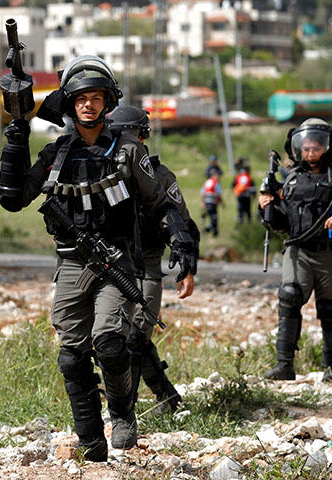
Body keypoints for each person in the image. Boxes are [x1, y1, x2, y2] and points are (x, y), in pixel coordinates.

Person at [0, 55, 197, 461]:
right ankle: (91, 441)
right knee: (72, 356)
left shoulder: (127, 150)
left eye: (96, 98)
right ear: (70, 104)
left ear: (107, 101)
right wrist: (16, 139)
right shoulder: (56, 154)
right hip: (72, 262)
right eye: (81, 99)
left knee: (109, 342)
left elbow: (159, 200)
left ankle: (123, 414)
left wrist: (181, 241)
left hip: (117, 261)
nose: (88, 105)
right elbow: (13, 198)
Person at [259, 118, 332, 383]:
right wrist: (266, 206)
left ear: (327, 145)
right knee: (289, 296)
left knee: (329, 308)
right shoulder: (290, 179)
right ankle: (284, 365)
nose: (310, 153)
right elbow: (280, 222)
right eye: (306, 148)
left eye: (316, 148)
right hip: (300, 251)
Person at [107, 104, 200, 415]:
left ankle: (127, 413)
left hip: (146, 264)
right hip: (111, 263)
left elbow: (183, 225)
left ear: (143, 138)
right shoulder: (103, 173)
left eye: (132, 136)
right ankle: (167, 397)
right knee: (112, 340)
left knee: (137, 336)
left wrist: (187, 267)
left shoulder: (159, 176)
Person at [200, 170, 223, 236]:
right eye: (218, 175)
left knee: (212, 216)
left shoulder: (207, 182)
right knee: (214, 218)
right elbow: (219, 194)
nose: (219, 177)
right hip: (213, 203)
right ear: (214, 176)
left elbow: (202, 193)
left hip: (207, 202)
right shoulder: (216, 183)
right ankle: (209, 230)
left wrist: (202, 202)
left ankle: (212, 230)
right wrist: (222, 203)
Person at [233, 158, 255, 224]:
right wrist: (254, 195)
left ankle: (241, 220)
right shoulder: (248, 177)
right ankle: (247, 221)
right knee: (247, 209)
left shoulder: (239, 176)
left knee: (241, 208)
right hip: (246, 195)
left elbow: (234, 185)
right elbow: (252, 187)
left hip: (240, 195)